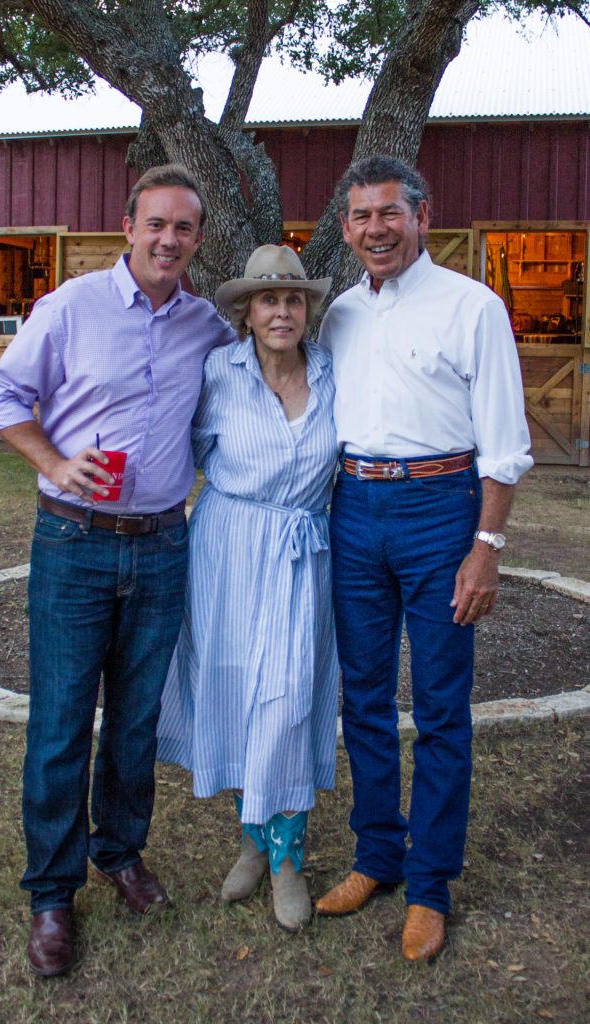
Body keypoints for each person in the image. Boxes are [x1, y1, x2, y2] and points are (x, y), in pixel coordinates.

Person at [0, 164, 235, 977]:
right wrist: (52, 458)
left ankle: (119, 853)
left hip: (161, 544)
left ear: (195, 239)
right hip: (74, 541)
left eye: (183, 228)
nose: (168, 240)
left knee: (133, 722)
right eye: (155, 224)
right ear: (128, 227)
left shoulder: (205, 325)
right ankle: (51, 894)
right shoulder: (71, 307)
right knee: (58, 727)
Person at [315, 155, 533, 960]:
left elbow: (503, 446)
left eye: (389, 213)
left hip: (440, 511)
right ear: (345, 227)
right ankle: (377, 855)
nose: (375, 228)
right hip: (352, 507)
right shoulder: (337, 314)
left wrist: (485, 548)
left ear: (421, 217)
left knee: (440, 705)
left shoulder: (471, 307)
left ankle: (430, 882)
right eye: (361, 217)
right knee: (362, 696)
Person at [156, 245, 339, 931]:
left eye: (293, 299)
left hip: (301, 552)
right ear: (246, 311)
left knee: (289, 697)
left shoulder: (331, 372)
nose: (282, 311)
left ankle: (288, 858)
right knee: (232, 690)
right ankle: (251, 841)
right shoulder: (215, 373)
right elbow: (178, 446)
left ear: (306, 309)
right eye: (268, 299)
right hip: (227, 547)